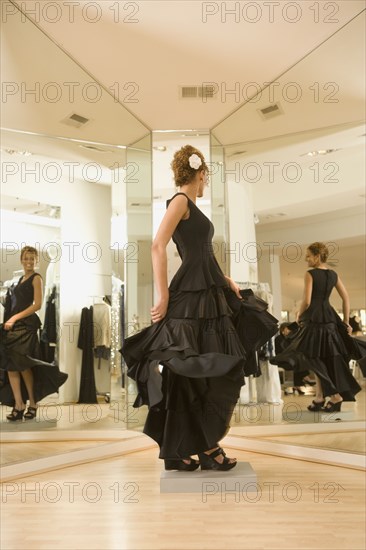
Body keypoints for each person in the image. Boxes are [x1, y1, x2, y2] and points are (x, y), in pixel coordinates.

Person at [122, 145, 278, 471]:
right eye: (206, 176)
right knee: (207, 370)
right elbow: (157, 246)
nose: (206, 182)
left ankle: (179, 450)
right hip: (192, 296)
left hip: (207, 289)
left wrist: (226, 279)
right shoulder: (181, 201)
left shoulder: (190, 204)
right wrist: (162, 296)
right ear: (200, 173)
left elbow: (201, 253)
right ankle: (206, 446)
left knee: (197, 373)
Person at [272, 242, 362, 412]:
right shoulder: (333, 274)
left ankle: (334, 395)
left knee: (311, 356)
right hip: (329, 320)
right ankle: (320, 397)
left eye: (308, 255)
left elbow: (306, 300)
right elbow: (346, 298)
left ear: (317, 256)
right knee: (319, 358)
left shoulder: (310, 274)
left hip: (313, 320)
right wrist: (346, 322)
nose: (306, 258)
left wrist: (298, 315)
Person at [1, 246, 68, 420]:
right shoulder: (19, 280)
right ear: (22, 260)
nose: (29, 261)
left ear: (36, 260)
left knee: (24, 366)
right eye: (26, 258)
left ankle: (33, 403)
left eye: (32, 258)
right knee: (11, 367)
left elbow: (37, 305)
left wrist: (15, 317)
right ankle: (18, 404)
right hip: (13, 327)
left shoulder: (36, 278)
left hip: (26, 327)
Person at [274, 322, 315, 394]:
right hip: (282, 360)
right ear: (283, 329)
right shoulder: (279, 339)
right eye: (288, 329)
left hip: (289, 359)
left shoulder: (291, 338)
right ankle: (304, 379)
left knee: (299, 362)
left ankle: (297, 385)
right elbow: (280, 351)